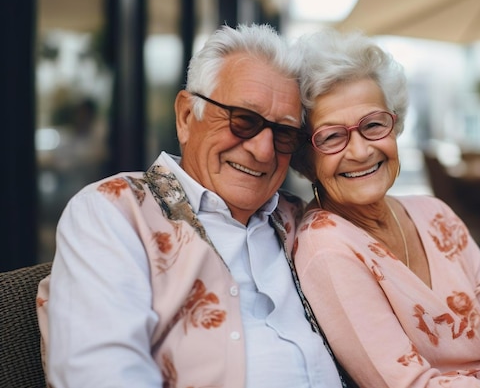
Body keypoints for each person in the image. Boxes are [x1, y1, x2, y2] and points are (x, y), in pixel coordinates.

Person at [36, 23, 347, 388]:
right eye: (243, 120)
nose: (263, 150)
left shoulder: (305, 224)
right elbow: (100, 375)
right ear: (187, 116)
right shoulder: (115, 211)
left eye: (284, 133)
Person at [289, 29, 480, 388]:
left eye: (373, 125)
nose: (361, 151)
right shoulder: (327, 248)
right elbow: (408, 383)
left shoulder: (433, 212)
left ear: (395, 127)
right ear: (305, 158)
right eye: (332, 136)